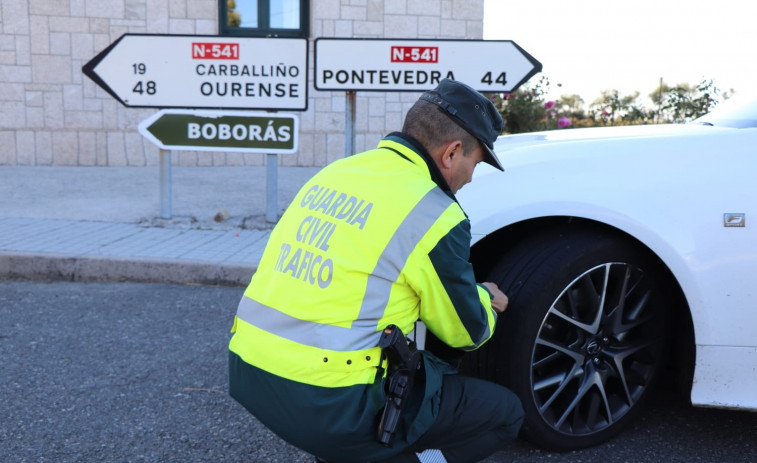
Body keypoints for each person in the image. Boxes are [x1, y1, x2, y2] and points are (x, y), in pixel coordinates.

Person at [228, 78, 524, 463]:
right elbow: (466, 332)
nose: (470, 176)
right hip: (330, 405)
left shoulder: (337, 172)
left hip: (251, 372)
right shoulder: (434, 213)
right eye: (477, 162)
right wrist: (485, 297)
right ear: (452, 152)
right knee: (505, 415)